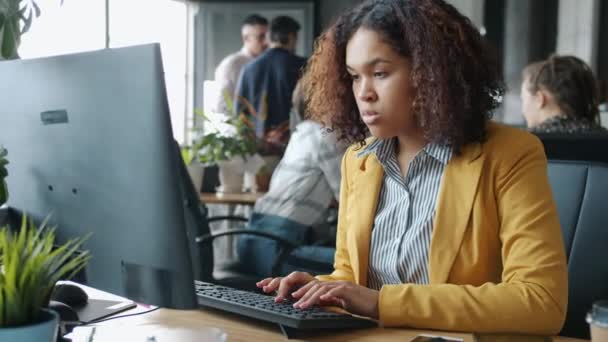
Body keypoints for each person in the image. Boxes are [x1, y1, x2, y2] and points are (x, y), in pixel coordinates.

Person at [257, 0, 568, 335]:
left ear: (431, 72)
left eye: (379, 73)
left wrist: (381, 303)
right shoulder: (358, 161)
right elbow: (351, 276)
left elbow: (541, 301)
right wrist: (320, 290)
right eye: (353, 76)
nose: (364, 93)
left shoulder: (509, 154)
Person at [238, 82, 347, 276]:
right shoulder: (324, 135)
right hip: (278, 250)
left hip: (252, 243)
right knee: (361, 265)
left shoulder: (301, 134)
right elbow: (350, 198)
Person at [234, 15, 307, 155]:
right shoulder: (302, 66)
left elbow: (240, 113)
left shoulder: (248, 69)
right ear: (292, 37)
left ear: (269, 37)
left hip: (258, 151)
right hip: (294, 149)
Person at [521, 55, 607, 133]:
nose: (523, 110)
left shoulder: (526, 144)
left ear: (539, 99)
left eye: (523, 99)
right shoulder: (602, 135)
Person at [213, 14, 268, 115]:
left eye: (267, 36)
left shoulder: (268, 63)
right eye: (261, 37)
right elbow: (222, 107)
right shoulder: (231, 64)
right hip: (239, 128)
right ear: (246, 38)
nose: (266, 42)